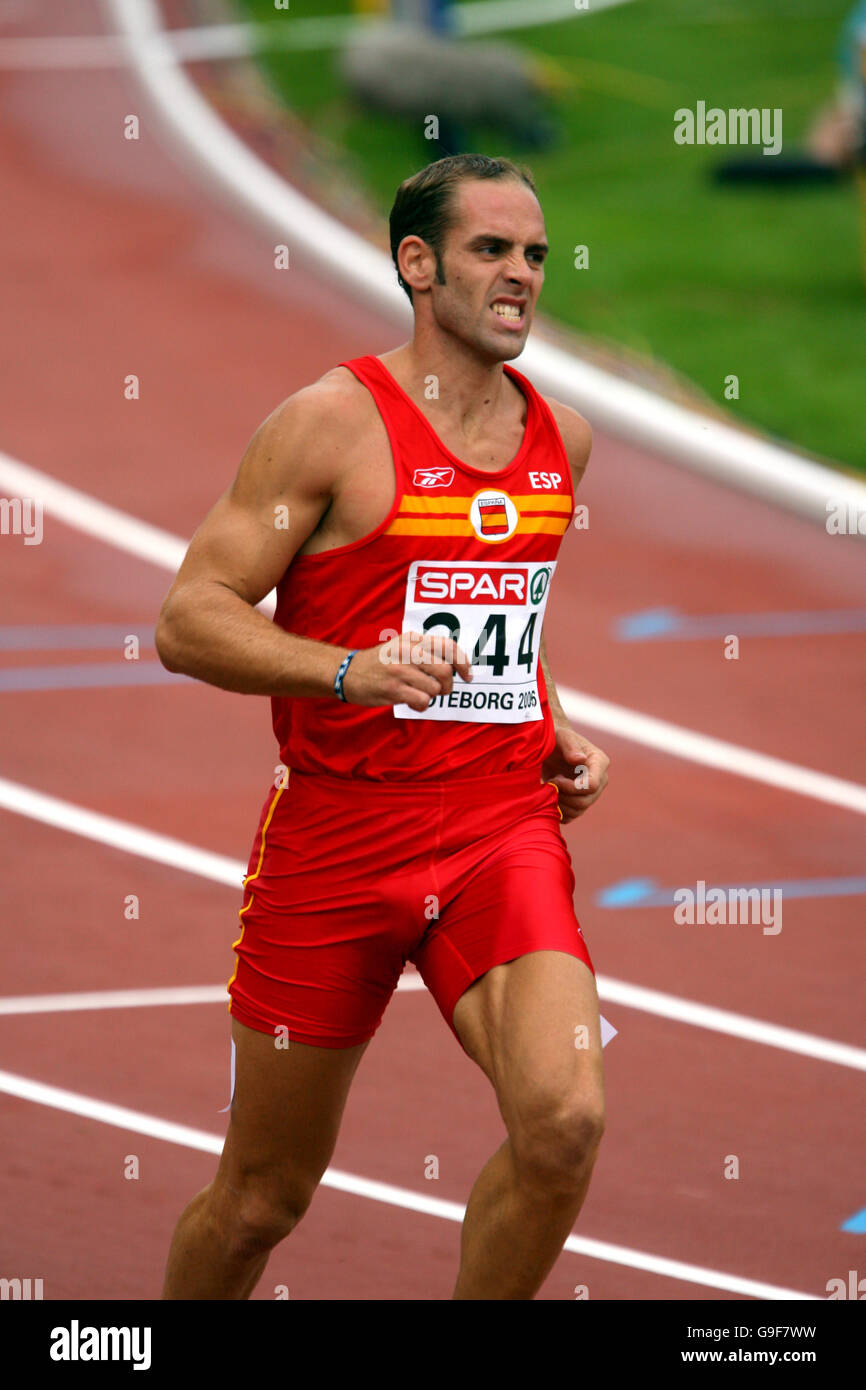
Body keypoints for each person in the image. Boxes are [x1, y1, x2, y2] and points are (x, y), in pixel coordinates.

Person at [155, 152, 610, 1301]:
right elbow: (188, 618)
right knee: (263, 1197)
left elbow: (497, 610)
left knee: (562, 1123)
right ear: (417, 264)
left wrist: (551, 718)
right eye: (491, 251)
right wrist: (348, 672)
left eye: (535, 255)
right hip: (337, 835)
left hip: (498, 829)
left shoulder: (567, 438)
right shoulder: (326, 425)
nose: (521, 276)